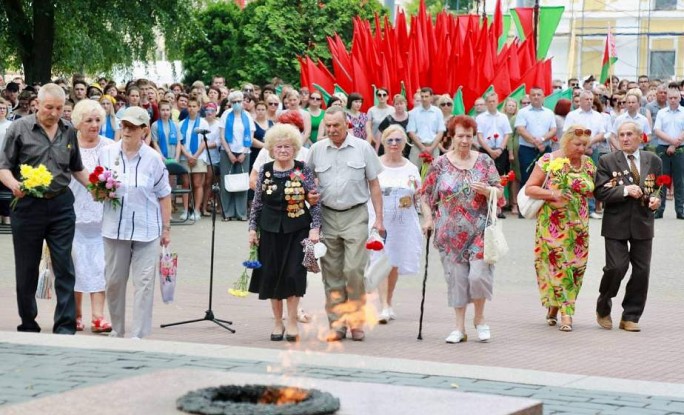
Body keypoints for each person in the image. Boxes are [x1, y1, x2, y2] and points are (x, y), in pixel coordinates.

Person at [0, 83, 90, 334]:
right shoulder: (19, 128)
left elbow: (77, 168)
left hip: (61, 203)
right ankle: (28, 322)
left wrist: (98, 186)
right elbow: (3, 167)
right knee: (27, 267)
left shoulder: (69, 131)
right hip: (28, 204)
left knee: (64, 265)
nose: (54, 113)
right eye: (49, 107)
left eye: (60, 108)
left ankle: (65, 325)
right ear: (37, 104)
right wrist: (14, 184)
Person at [420, 115, 503, 344]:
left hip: (480, 230)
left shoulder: (485, 162)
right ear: (451, 137)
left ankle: (480, 318)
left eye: (469, 136)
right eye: (460, 136)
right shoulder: (439, 164)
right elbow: (425, 196)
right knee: (457, 280)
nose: (465, 140)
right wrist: (428, 220)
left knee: (478, 276)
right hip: (450, 234)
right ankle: (459, 328)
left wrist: (488, 191)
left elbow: (500, 191)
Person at [307, 106, 384, 342]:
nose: (331, 130)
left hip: (355, 215)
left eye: (336, 126)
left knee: (353, 270)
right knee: (331, 274)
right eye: (327, 126)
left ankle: (357, 321)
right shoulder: (316, 150)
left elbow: (374, 184)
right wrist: (309, 196)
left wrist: (379, 219)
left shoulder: (362, 148)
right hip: (328, 216)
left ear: (347, 125)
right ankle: (337, 324)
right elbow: (306, 181)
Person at [99, 106, 172, 339]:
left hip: (147, 230)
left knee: (144, 283)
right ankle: (117, 330)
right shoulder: (107, 153)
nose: (127, 130)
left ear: (144, 130)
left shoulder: (154, 159)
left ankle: (138, 335)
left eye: (132, 127)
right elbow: (96, 187)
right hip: (114, 228)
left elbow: (164, 194)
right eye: (124, 125)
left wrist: (167, 228)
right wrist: (100, 191)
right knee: (114, 282)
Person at [248, 123, 321, 342]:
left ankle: (291, 321)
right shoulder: (266, 170)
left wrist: (315, 228)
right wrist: (252, 229)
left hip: (297, 229)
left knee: (293, 274)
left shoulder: (302, 169)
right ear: (271, 148)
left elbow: (315, 201)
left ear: (295, 148)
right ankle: (277, 322)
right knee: (271, 275)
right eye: (279, 147)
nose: (283, 150)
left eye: (287, 146)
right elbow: (257, 203)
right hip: (269, 230)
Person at [525, 125, 595, 332]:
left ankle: (556, 306)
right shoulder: (549, 161)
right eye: (577, 144)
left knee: (575, 269)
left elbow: (593, 191)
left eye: (585, 145)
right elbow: (530, 188)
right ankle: (567, 313)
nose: (581, 149)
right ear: (566, 141)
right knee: (557, 267)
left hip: (579, 229)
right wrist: (552, 194)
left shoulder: (588, 163)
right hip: (552, 226)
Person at [594, 121, 662, 332]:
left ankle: (631, 316)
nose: (624, 138)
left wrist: (655, 202)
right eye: (621, 134)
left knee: (642, 271)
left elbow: (657, 188)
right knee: (616, 267)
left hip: (643, 222)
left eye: (629, 134)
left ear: (640, 137)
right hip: (616, 223)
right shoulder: (607, 161)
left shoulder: (654, 160)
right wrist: (625, 191)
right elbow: (600, 192)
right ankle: (603, 306)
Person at [69, 99, 114, 333]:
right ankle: (75, 315)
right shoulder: (69, 146)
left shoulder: (109, 147)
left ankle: (98, 316)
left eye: (98, 120)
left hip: (101, 216)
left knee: (100, 265)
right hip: (72, 215)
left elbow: (116, 176)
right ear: (78, 123)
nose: (94, 125)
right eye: (89, 120)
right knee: (75, 265)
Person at [370, 125, 422, 324]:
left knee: (393, 264)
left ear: (404, 144)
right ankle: (383, 305)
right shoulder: (375, 164)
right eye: (390, 140)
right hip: (379, 220)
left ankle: (389, 302)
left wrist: (427, 218)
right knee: (380, 261)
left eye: (398, 140)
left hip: (402, 223)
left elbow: (419, 196)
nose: (393, 144)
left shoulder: (411, 168)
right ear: (383, 142)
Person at [563, 90, 606, 220]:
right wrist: (582, 147)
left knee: (591, 178)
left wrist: (588, 144)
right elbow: (567, 132)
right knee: (574, 176)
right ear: (580, 101)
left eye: (591, 99)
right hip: (574, 151)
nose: (589, 101)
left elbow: (602, 134)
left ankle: (591, 208)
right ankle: (573, 206)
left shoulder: (598, 115)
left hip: (593, 150)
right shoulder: (572, 115)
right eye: (586, 99)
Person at [219, 90, 255, 221]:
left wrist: (244, 152)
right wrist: (229, 153)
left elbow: (251, 136)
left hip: (244, 152)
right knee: (226, 182)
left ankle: (241, 213)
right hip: (227, 151)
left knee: (242, 182)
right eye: (234, 102)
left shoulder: (248, 116)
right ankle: (227, 213)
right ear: (230, 103)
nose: (237, 104)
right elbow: (222, 136)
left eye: (239, 101)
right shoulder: (225, 114)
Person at [515, 86, 557, 186]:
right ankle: (524, 201)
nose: (536, 97)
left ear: (543, 97)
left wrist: (542, 139)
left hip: (545, 150)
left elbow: (553, 130)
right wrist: (536, 143)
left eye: (539, 95)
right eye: (533, 95)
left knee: (546, 178)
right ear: (529, 97)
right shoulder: (522, 112)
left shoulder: (549, 113)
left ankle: (543, 201)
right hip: (527, 150)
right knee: (526, 178)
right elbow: (520, 129)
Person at [653, 88, 684, 219]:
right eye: (670, 98)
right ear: (667, 98)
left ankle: (680, 210)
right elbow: (657, 130)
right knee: (662, 179)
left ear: (679, 98)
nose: (672, 100)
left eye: (675, 98)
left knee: (680, 180)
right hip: (663, 148)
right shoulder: (661, 113)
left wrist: (675, 144)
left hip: (680, 148)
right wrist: (671, 141)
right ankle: (659, 210)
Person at [178, 97, 209, 221]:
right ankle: (185, 210)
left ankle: (196, 210)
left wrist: (195, 156)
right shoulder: (180, 124)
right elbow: (179, 142)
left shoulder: (203, 123)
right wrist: (187, 155)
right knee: (185, 184)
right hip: (185, 156)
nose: (191, 108)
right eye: (189, 106)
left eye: (194, 106)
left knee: (197, 184)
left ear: (198, 107)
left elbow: (204, 142)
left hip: (199, 157)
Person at [406, 87, 445, 167]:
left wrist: (432, 147)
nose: (424, 99)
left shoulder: (437, 112)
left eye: (426, 96)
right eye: (422, 96)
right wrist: (422, 148)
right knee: (413, 172)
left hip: (433, 146)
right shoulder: (414, 112)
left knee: (433, 173)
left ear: (431, 97)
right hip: (418, 146)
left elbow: (441, 131)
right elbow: (411, 132)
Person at [0, 98, 11, 224]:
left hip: (6, 163)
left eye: (3, 108)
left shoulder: (11, 125)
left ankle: (7, 218)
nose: (1, 110)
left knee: (6, 192)